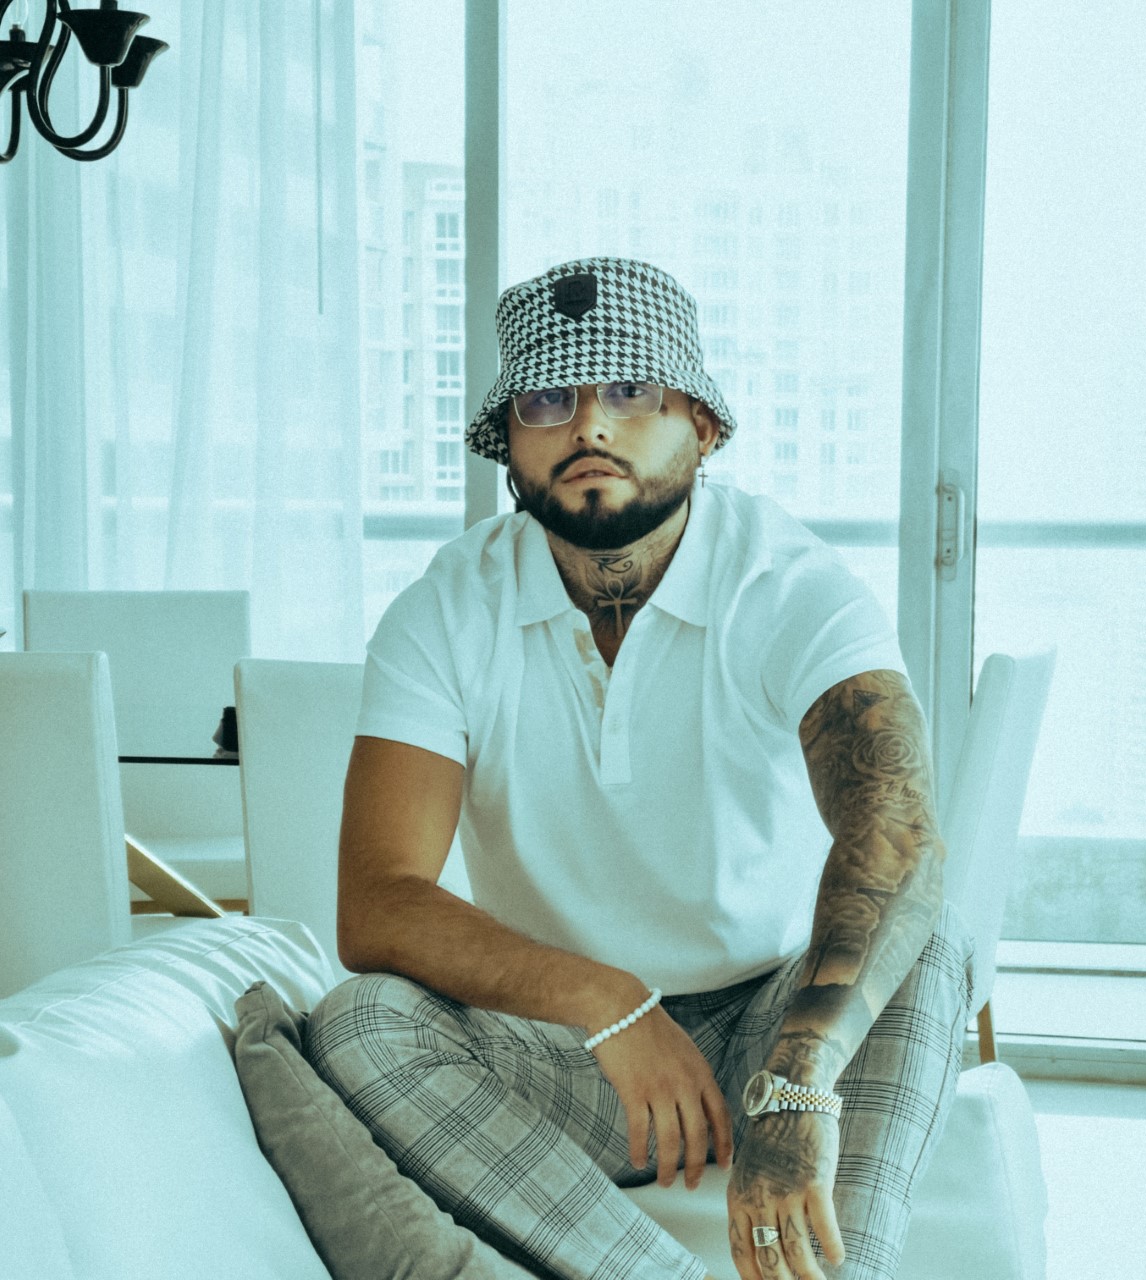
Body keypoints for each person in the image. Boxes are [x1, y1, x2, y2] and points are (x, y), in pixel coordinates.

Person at [305, 257, 975, 1280]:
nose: (589, 426)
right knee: (359, 1020)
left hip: (777, 1015)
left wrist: (798, 1079)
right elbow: (377, 903)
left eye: (628, 390)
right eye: (547, 399)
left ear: (701, 423)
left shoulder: (786, 580)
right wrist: (606, 1000)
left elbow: (895, 832)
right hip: (569, 1049)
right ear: (508, 443)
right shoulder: (445, 607)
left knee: (929, 944)